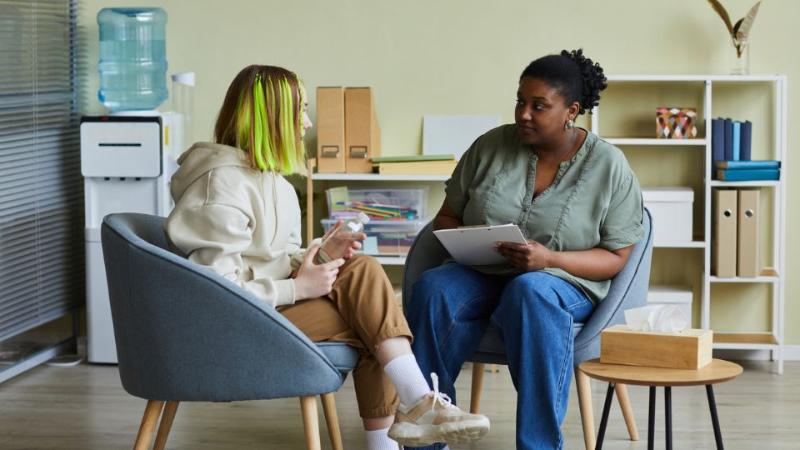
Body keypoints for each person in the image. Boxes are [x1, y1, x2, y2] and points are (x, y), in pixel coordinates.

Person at [163, 65, 489, 450]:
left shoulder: (276, 184)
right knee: (373, 321)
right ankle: (417, 405)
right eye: (299, 111)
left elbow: (275, 256)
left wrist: (315, 256)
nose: (307, 122)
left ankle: (416, 407)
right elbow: (215, 293)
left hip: (267, 310)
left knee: (365, 280)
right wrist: (298, 287)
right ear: (272, 117)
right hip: (230, 325)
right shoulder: (220, 185)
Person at [405, 49, 645, 450]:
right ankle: (431, 433)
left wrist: (548, 260)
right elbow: (447, 217)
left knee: (530, 291)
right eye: (520, 101)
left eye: (539, 106)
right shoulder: (489, 147)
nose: (524, 114)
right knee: (435, 288)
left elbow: (617, 258)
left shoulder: (609, 165)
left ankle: (539, 445)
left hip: (564, 282)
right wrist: (469, 244)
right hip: (483, 272)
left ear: (571, 110)